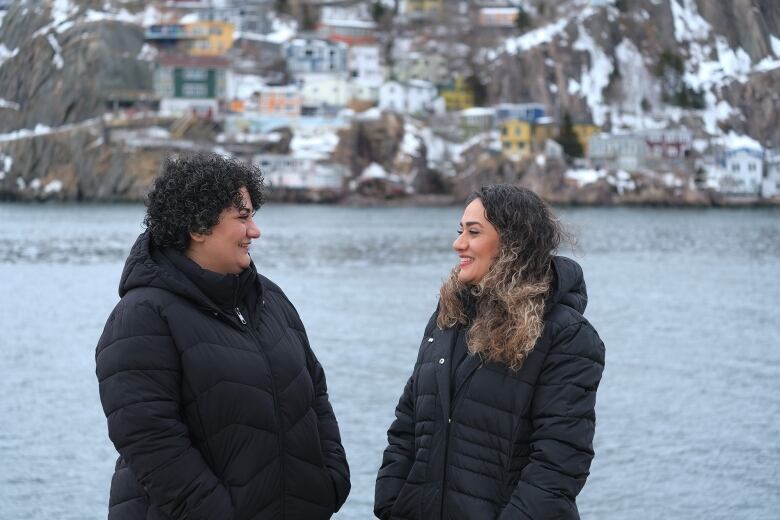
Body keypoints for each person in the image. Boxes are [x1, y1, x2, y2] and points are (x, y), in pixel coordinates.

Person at [95, 153, 349, 520]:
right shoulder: (142, 315)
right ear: (198, 227)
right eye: (242, 217)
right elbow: (149, 439)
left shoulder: (271, 298)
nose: (255, 231)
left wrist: (330, 481)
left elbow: (316, 395)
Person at [374, 185, 605, 519]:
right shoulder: (448, 318)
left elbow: (559, 463)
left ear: (513, 242)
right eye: (460, 231)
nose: (458, 243)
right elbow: (408, 423)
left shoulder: (566, 336)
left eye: (474, 232)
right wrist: (392, 503)